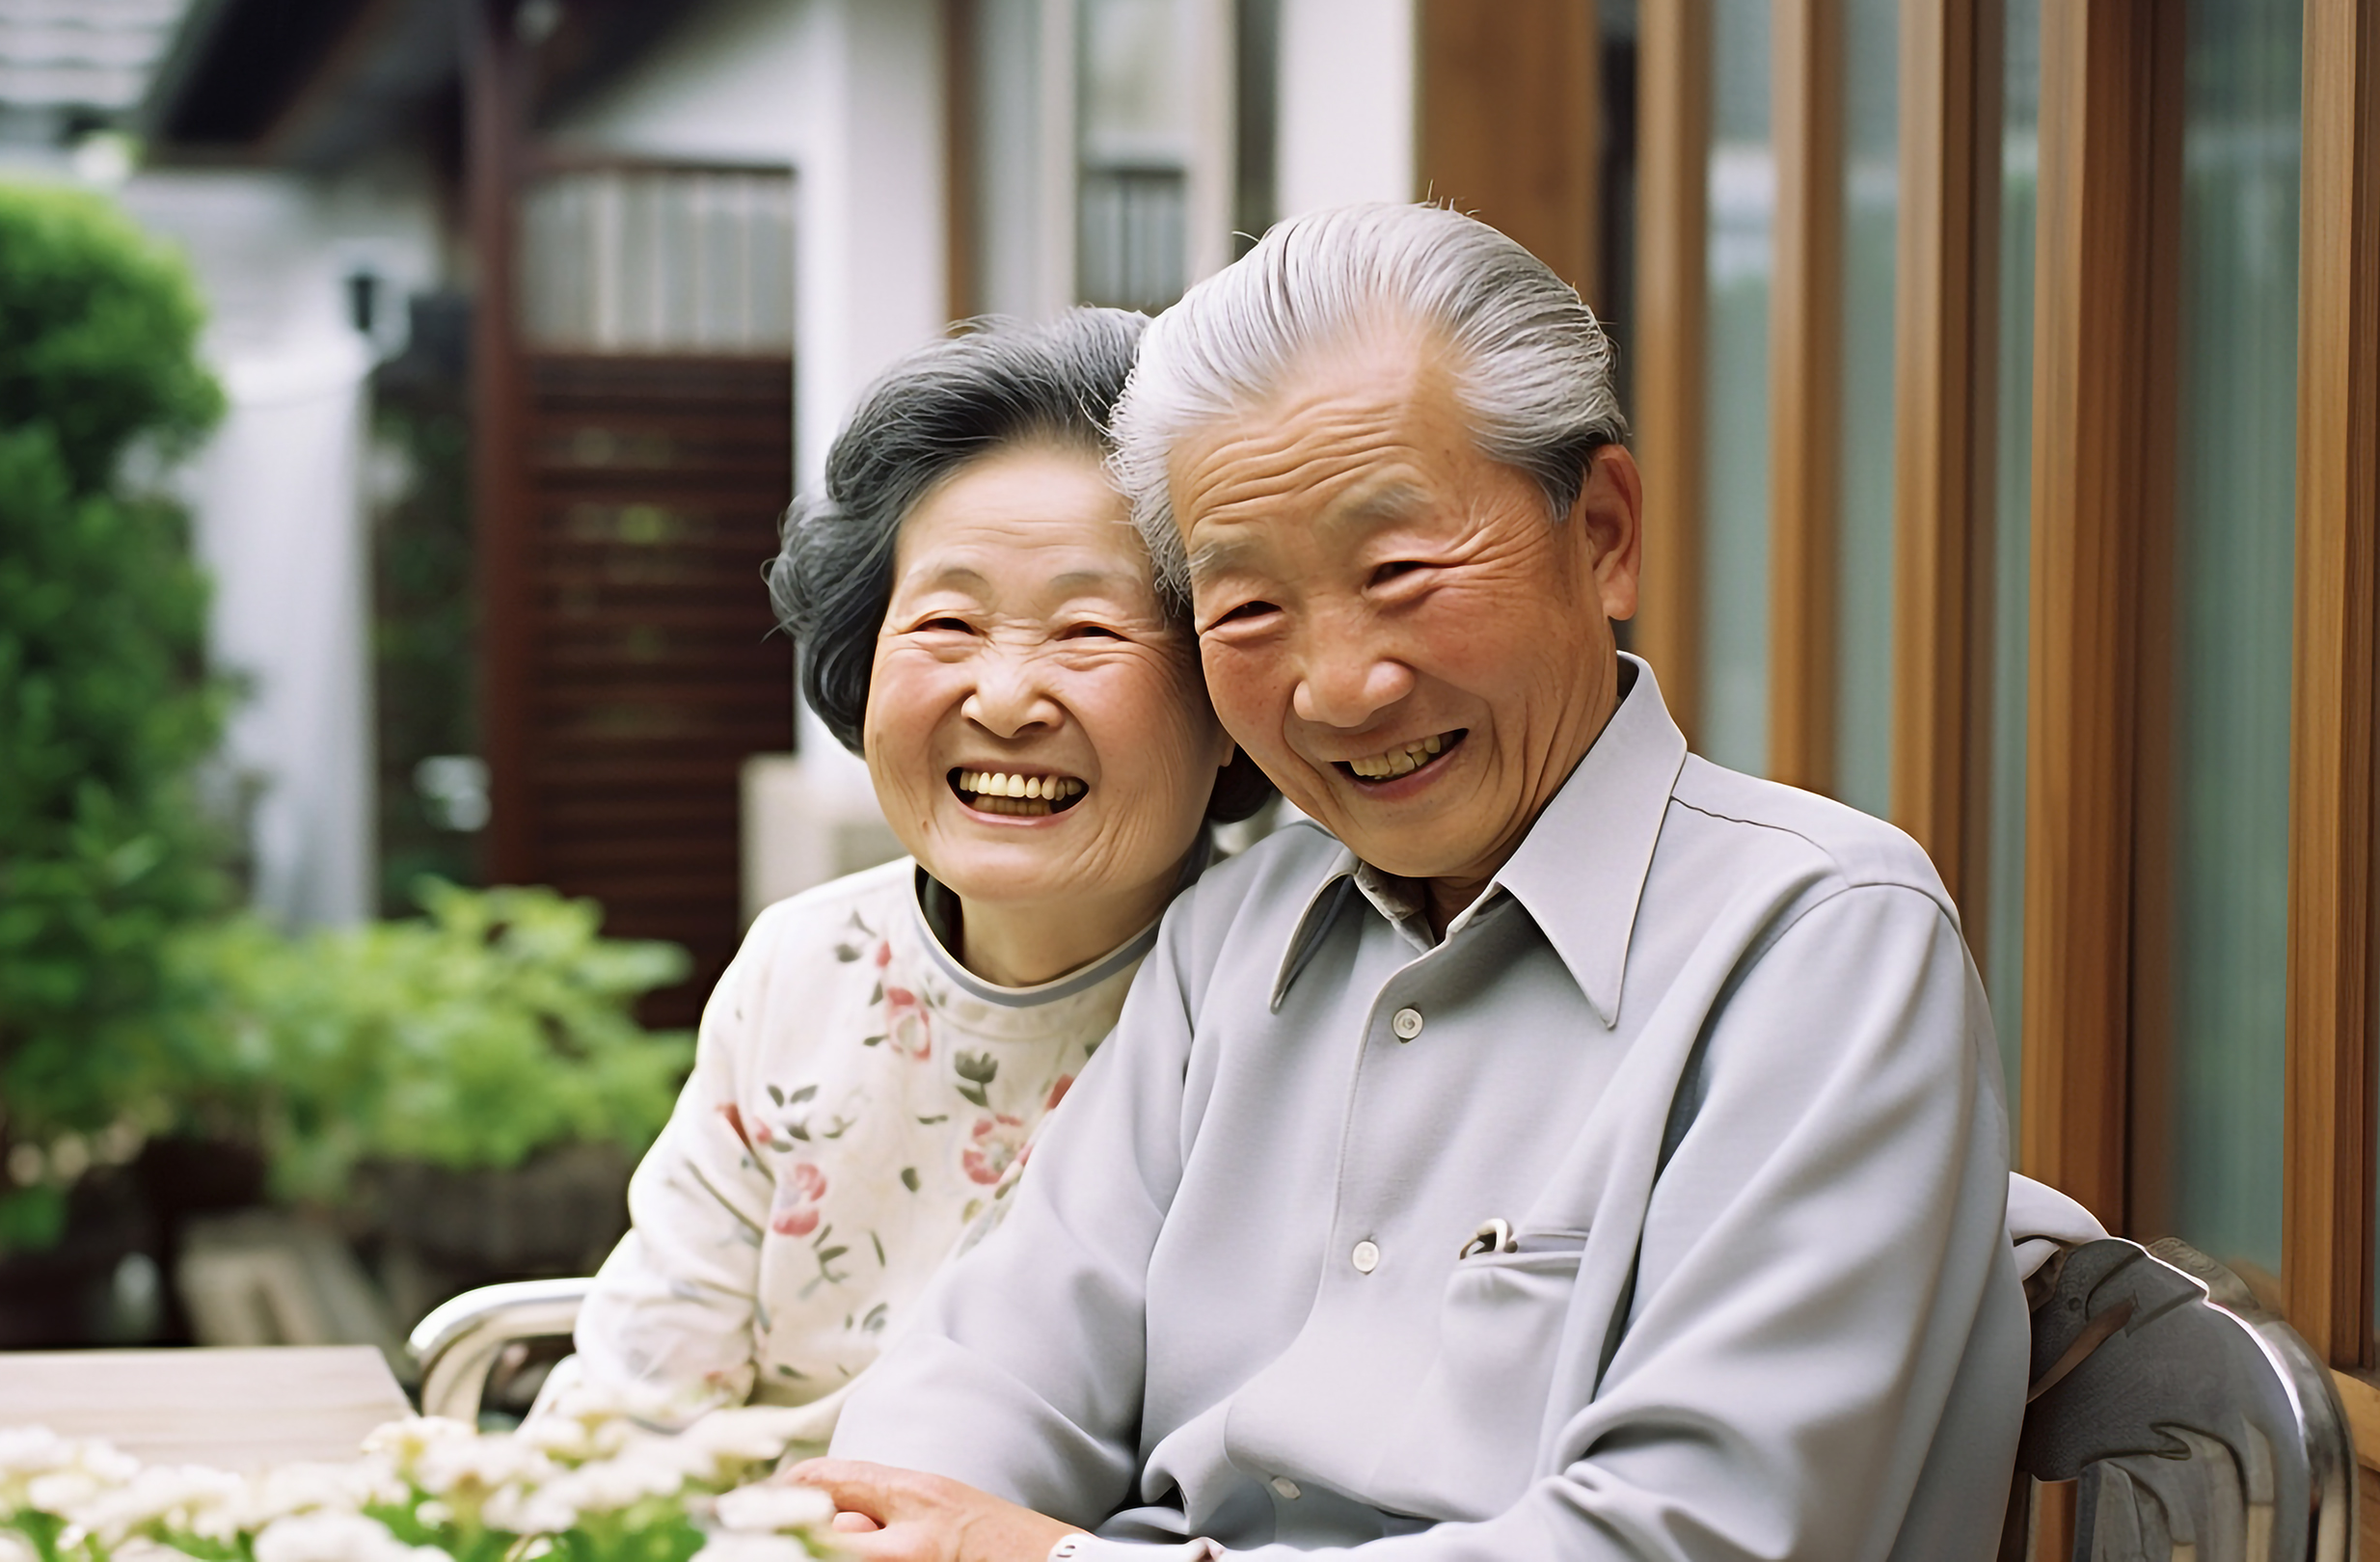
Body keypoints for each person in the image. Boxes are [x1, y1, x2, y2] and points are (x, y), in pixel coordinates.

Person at [797, 203, 2029, 1562]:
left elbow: (1691, 1537)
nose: (1340, 688)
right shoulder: (1232, 941)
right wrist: (891, 1522)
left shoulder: (1822, 942)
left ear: (1604, 532)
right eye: (1250, 607)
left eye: (1397, 573)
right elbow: (994, 1371)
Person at [549, 309, 1273, 1444]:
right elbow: (634, 1394)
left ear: (1227, 693)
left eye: (1086, 632)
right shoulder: (801, 965)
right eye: (946, 620)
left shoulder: (1284, 1001)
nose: (1002, 698)